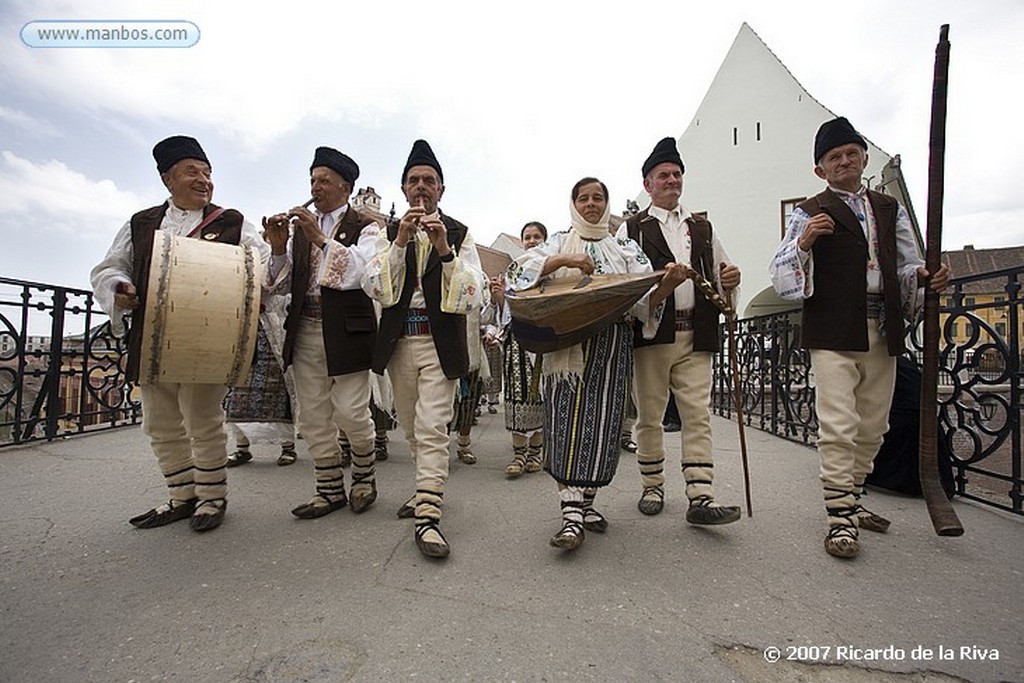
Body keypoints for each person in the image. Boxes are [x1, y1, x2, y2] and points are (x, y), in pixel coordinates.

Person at [769, 116, 950, 558]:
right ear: (820, 170)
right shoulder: (808, 211)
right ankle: (839, 519)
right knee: (838, 424)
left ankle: (850, 498)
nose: (844, 162)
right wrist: (804, 243)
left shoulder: (889, 209)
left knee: (874, 425)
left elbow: (908, 265)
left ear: (864, 158)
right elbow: (779, 275)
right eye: (834, 158)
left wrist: (928, 278)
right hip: (833, 328)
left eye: (851, 153)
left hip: (883, 325)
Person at [90, 135, 270, 532]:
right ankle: (181, 495)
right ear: (167, 179)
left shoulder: (233, 222)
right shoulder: (143, 223)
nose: (203, 180)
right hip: (153, 336)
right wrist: (121, 288)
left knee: (203, 418)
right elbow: (110, 267)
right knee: (159, 420)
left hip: (207, 335)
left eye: (207, 173)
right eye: (192, 172)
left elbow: (262, 264)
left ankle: (211, 497)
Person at [508, 177, 683, 550]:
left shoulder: (625, 248)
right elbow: (515, 279)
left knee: (601, 427)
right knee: (565, 424)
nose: (591, 204)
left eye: (598, 198)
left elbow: (644, 303)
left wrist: (666, 284)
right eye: (583, 198)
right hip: (565, 347)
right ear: (573, 203)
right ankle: (570, 514)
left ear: (607, 203)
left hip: (611, 345)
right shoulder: (555, 240)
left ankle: (586, 506)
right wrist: (563, 260)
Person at [362, 139, 484, 559]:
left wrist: (444, 250)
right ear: (403, 189)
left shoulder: (460, 233)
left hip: (438, 343)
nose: (421, 187)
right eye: (413, 181)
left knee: (433, 426)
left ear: (441, 190)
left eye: (428, 181)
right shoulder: (384, 235)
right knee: (412, 427)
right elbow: (375, 286)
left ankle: (428, 514)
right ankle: (424, 490)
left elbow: (472, 293)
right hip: (400, 345)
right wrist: (399, 243)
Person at [619, 137, 743, 525]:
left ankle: (700, 494)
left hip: (697, 331)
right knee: (650, 415)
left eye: (676, 174)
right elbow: (625, 286)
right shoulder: (632, 230)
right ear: (647, 184)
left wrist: (732, 278)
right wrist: (663, 289)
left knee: (697, 413)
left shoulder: (701, 227)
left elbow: (723, 272)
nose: (672, 180)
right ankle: (652, 485)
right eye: (663, 175)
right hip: (654, 334)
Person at [264, 146, 382, 519]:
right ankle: (329, 488)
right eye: (312, 180)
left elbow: (364, 273)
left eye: (324, 181)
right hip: (305, 329)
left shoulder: (367, 226)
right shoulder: (298, 229)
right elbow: (279, 285)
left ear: (345, 187)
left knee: (351, 412)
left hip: (348, 332)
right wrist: (279, 246)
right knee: (313, 415)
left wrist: (319, 238)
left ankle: (363, 474)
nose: (315, 187)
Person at [496, 222, 547, 478]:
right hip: (517, 341)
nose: (532, 241)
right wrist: (499, 298)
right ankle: (519, 454)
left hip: (545, 340)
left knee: (540, 396)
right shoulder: (513, 272)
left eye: (537, 237)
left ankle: (536, 453)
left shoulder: (553, 270)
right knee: (517, 396)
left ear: (545, 240)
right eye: (527, 237)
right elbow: (506, 316)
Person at [225, 295, 298, 468]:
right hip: (243, 329)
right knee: (238, 388)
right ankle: (242, 448)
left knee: (278, 386)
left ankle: (288, 447)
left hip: (272, 327)